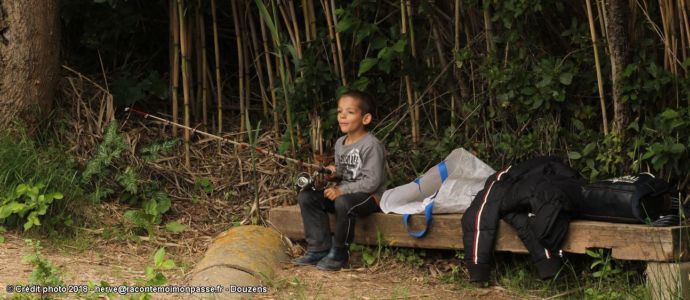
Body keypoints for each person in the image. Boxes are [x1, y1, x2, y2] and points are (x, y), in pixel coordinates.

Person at [292, 90, 387, 271]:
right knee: (307, 197)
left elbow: (372, 182)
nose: (342, 116)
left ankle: (340, 253)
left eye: (350, 112)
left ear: (365, 119)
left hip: (369, 197)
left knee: (343, 202)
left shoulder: (371, 145)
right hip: (345, 193)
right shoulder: (340, 143)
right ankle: (319, 249)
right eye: (339, 111)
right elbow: (345, 173)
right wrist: (332, 174)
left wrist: (342, 190)